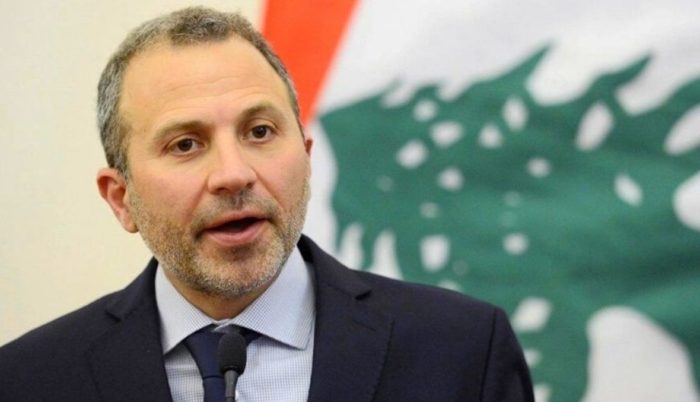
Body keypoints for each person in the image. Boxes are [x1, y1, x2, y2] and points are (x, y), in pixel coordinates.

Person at [0, 7, 534, 402]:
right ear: (122, 200)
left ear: (306, 157)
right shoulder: (29, 380)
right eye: (185, 144)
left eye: (259, 131)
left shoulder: (462, 351)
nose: (234, 174)